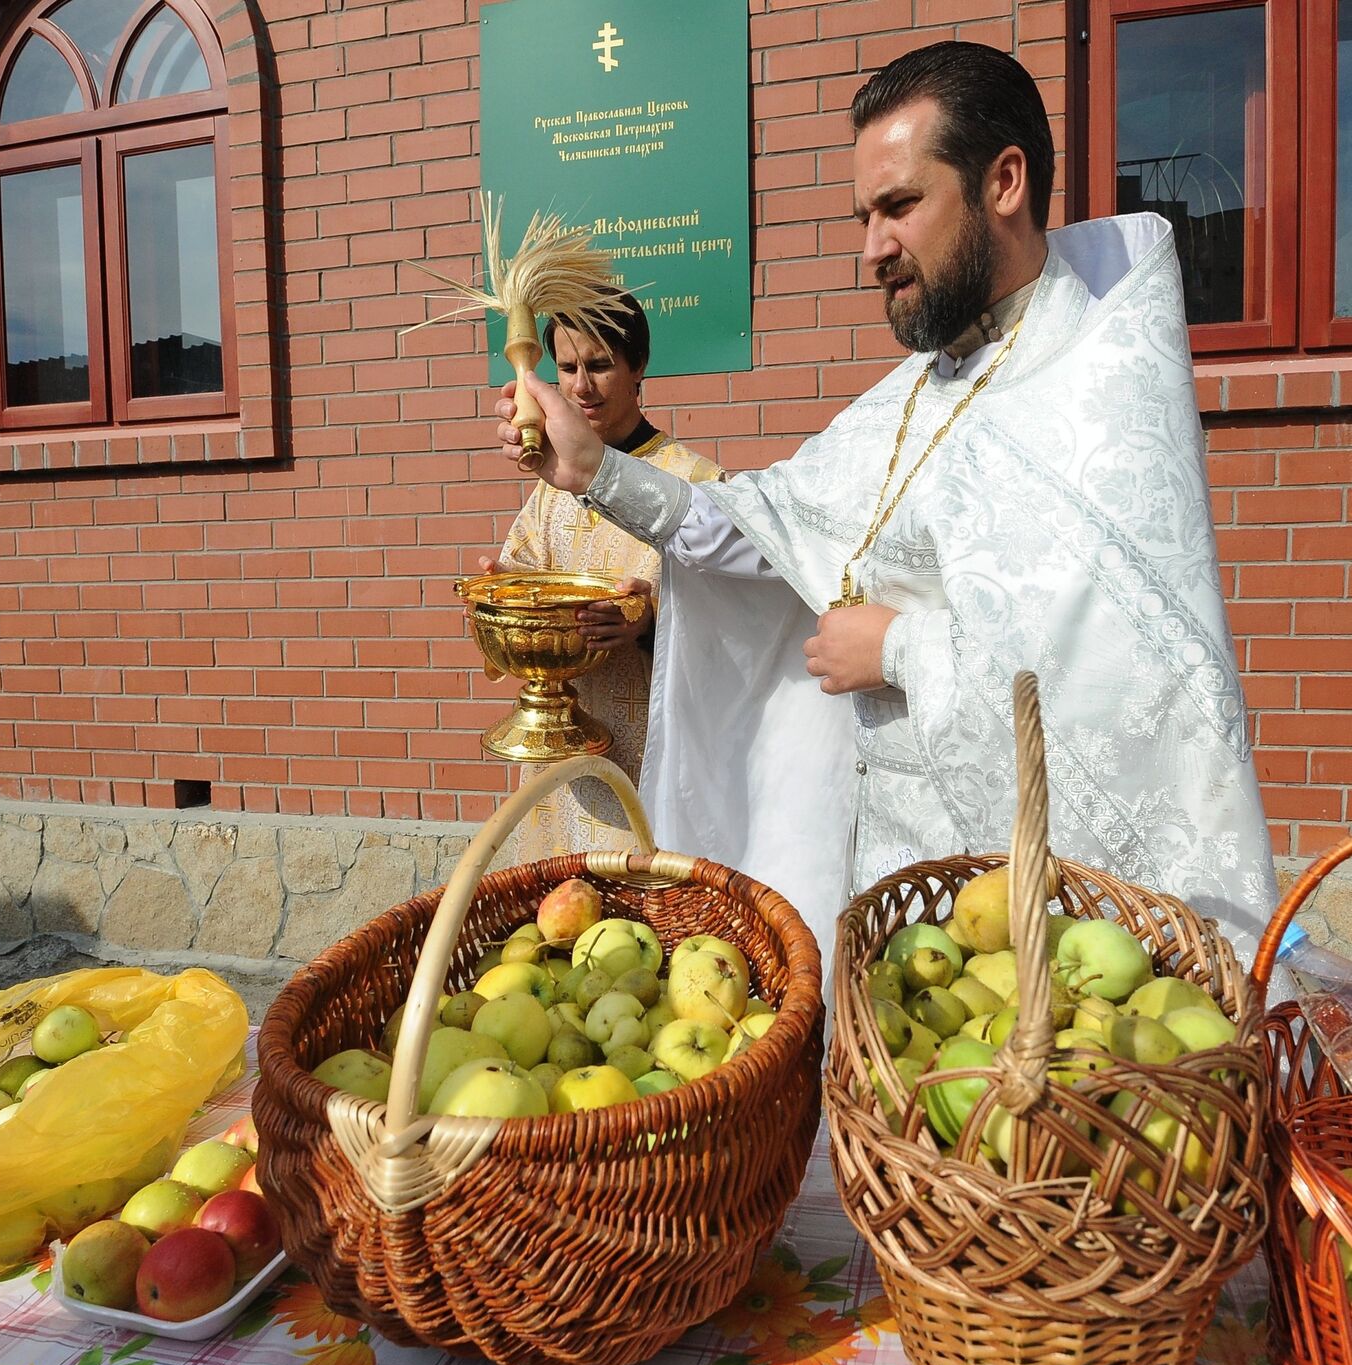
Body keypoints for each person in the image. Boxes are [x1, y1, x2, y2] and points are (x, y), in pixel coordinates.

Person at [493, 42, 1278, 972]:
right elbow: (758, 528)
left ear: (1005, 182)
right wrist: (592, 469)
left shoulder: (1096, 389)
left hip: (1033, 926)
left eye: (900, 206)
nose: (872, 249)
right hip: (886, 888)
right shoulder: (914, 394)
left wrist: (898, 648)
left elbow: (1127, 673)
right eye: (864, 216)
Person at [481, 289, 719, 863]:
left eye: (600, 365)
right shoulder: (552, 486)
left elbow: (736, 628)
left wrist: (649, 622)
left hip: (649, 759)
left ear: (638, 367)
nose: (581, 387)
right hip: (558, 759)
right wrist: (501, 594)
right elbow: (526, 576)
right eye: (566, 367)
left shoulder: (696, 482)